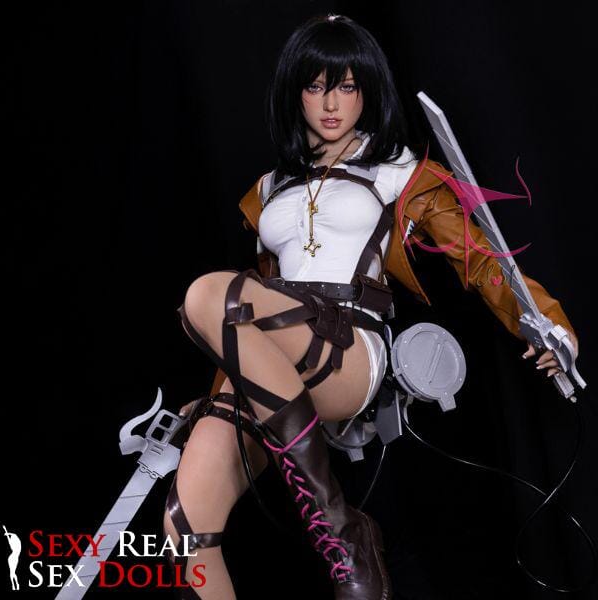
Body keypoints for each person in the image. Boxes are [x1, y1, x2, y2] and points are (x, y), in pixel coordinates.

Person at [162, 13, 578, 600]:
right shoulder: (269, 189)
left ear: (368, 91)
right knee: (184, 528)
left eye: (347, 86)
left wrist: (549, 323)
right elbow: (245, 321)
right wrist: (216, 392)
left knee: (206, 292)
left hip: (347, 345)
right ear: (295, 94)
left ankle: (337, 526)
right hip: (275, 361)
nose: (331, 104)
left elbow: (482, 261)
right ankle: (341, 529)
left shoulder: (400, 172)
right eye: (316, 87)